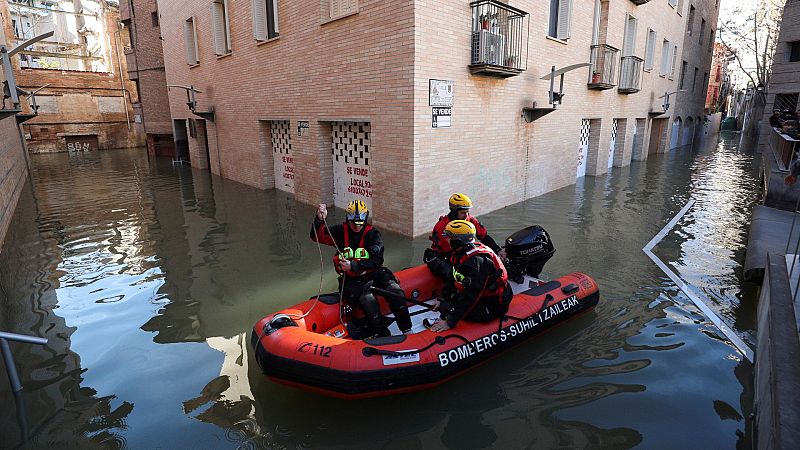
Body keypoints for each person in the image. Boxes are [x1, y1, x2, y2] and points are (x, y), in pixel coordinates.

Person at [311, 200, 412, 337]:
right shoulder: (341, 232)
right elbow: (316, 236)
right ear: (348, 219)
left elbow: (377, 260)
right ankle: (384, 334)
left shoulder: (373, 234)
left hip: (372, 273)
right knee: (367, 301)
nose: (357, 226)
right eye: (354, 223)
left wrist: (354, 266)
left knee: (395, 291)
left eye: (360, 223)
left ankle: (407, 329)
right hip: (352, 279)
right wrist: (319, 219)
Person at [425, 220, 512, 333]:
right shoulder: (460, 253)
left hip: (493, 305)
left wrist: (450, 321)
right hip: (483, 297)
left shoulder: (476, 263)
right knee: (445, 304)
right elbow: (453, 277)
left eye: (450, 238)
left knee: (447, 307)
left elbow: (472, 294)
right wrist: (443, 298)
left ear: (458, 241)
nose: (447, 240)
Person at [424, 193, 502, 279]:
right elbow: (449, 252)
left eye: (467, 212)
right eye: (463, 212)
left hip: (464, 251)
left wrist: (498, 250)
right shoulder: (443, 227)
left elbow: (484, 236)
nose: (466, 216)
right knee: (453, 274)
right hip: (445, 256)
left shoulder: (470, 220)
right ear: (454, 212)